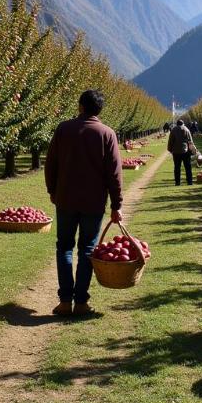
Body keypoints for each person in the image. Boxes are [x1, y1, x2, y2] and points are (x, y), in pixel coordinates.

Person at [45, 89, 123, 317]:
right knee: (87, 249)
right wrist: (116, 204)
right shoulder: (107, 134)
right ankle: (81, 302)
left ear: (80, 106)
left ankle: (65, 300)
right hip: (93, 202)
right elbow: (114, 174)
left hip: (66, 199)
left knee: (64, 247)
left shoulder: (63, 129)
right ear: (100, 110)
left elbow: (51, 163)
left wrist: (53, 190)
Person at [167, 118, 195, 186]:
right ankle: (189, 182)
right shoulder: (186, 129)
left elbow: (170, 141)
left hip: (176, 152)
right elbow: (190, 141)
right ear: (183, 124)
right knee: (188, 167)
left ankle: (177, 182)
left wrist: (170, 149)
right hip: (186, 152)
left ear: (177, 124)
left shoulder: (173, 130)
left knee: (177, 167)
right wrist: (192, 150)